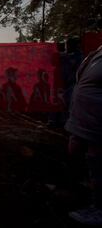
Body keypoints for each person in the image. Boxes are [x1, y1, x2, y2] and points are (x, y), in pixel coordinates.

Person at [66, 45, 102, 225]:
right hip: (81, 119)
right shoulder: (97, 52)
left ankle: (99, 209)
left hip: (97, 123)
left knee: (97, 162)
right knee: (76, 151)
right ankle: (84, 190)